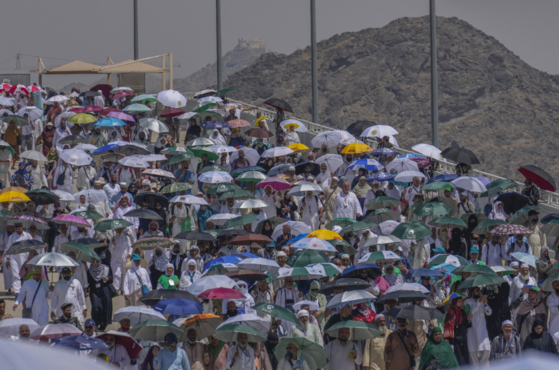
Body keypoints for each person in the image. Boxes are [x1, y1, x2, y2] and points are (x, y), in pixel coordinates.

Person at [465, 287, 492, 365]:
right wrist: (480, 301)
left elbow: (489, 312)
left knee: (487, 350)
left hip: (482, 330)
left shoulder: (482, 302)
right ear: (472, 292)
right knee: (473, 354)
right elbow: (471, 311)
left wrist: (485, 304)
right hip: (472, 330)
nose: (479, 293)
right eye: (477, 291)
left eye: (479, 291)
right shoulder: (468, 301)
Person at [87, 258, 113, 331]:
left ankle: (102, 325)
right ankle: (95, 324)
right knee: (96, 307)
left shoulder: (106, 268)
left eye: (96, 262)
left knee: (103, 307)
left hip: (104, 290)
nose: (94, 264)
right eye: (93, 262)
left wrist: (107, 279)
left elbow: (111, 279)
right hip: (94, 291)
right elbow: (88, 282)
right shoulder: (90, 271)